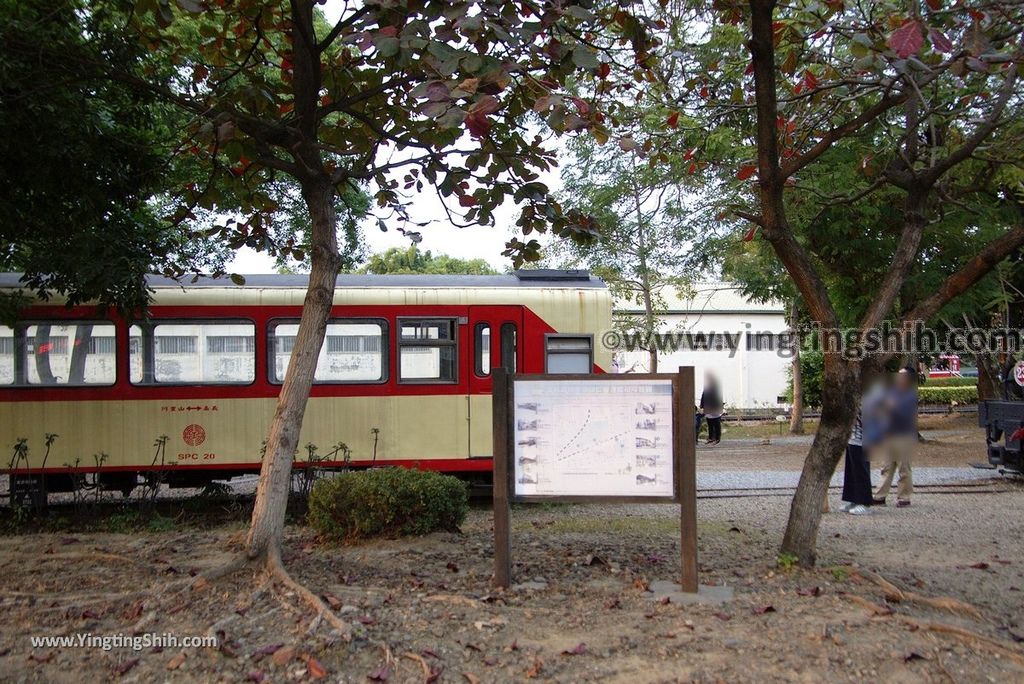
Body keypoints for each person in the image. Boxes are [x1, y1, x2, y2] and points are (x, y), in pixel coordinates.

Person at [874, 367, 918, 508]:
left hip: (903, 435)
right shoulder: (891, 392)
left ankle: (904, 497)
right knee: (886, 467)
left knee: (904, 468)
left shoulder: (910, 395)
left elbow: (905, 414)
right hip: (889, 434)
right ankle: (879, 496)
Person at [700, 373, 723, 445]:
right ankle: (710, 437)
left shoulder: (715, 388)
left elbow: (717, 399)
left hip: (714, 409)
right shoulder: (706, 388)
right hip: (708, 409)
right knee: (710, 424)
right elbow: (703, 396)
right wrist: (702, 405)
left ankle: (717, 438)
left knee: (716, 424)